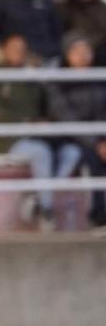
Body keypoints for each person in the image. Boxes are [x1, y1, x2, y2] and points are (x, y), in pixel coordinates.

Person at [0, 33, 74, 230]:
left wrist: (40, 78)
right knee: (41, 152)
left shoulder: (31, 76)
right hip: (4, 138)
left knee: (71, 152)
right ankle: (47, 209)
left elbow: (45, 106)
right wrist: (26, 123)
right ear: (4, 50)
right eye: (14, 49)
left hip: (34, 134)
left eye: (23, 50)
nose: (19, 53)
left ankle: (40, 200)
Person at [46, 34, 106, 228]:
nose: (82, 56)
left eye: (86, 51)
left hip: (100, 138)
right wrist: (96, 143)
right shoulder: (59, 81)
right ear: (66, 54)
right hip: (71, 138)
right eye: (76, 51)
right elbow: (64, 117)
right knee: (91, 159)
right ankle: (98, 215)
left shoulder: (100, 77)